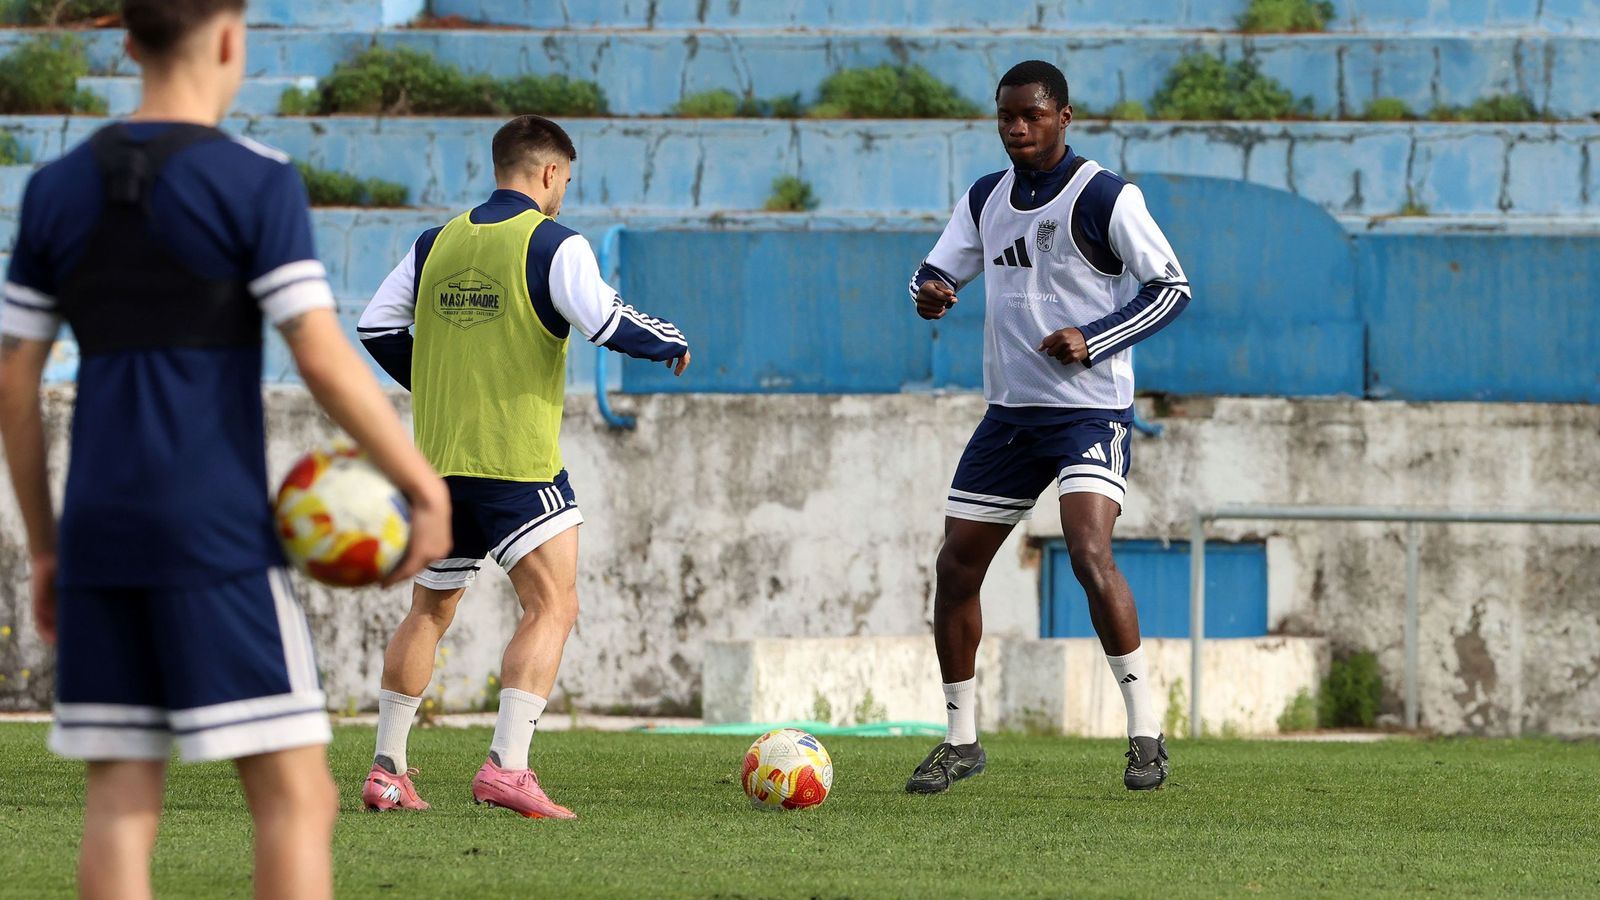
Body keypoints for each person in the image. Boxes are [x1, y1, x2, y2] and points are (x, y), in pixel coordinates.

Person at [0, 1, 452, 897]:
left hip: (98, 530)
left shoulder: (55, 188)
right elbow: (322, 356)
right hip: (214, 531)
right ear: (232, 38)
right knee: (296, 798)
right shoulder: (256, 180)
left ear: (127, 43)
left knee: (123, 801)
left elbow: (14, 385)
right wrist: (420, 483)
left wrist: (48, 548)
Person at [356, 114, 691, 820]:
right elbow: (605, 322)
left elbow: (376, 325)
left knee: (429, 608)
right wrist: (670, 341)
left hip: (439, 463)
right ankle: (507, 766)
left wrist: (442, 382)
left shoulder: (435, 241)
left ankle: (387, 770)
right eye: (565, 178)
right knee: (553, 605)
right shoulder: (553, 242)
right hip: (516, 464)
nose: (565, 190)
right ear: (548, 172)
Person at [905, 60, 1191, 793]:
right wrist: (931, 294)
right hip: (1011, 414)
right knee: (955, 566)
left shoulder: (1104, 196)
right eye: (1006, 117)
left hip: (1091, 411)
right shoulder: (985, 198)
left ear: (1065, 117)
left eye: (1032, 115)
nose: (1018, 129)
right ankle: (961, 740)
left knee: (1089, 551)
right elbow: (936, 270)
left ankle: (1145, 733)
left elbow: (1172, 289)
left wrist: (1093, 338)